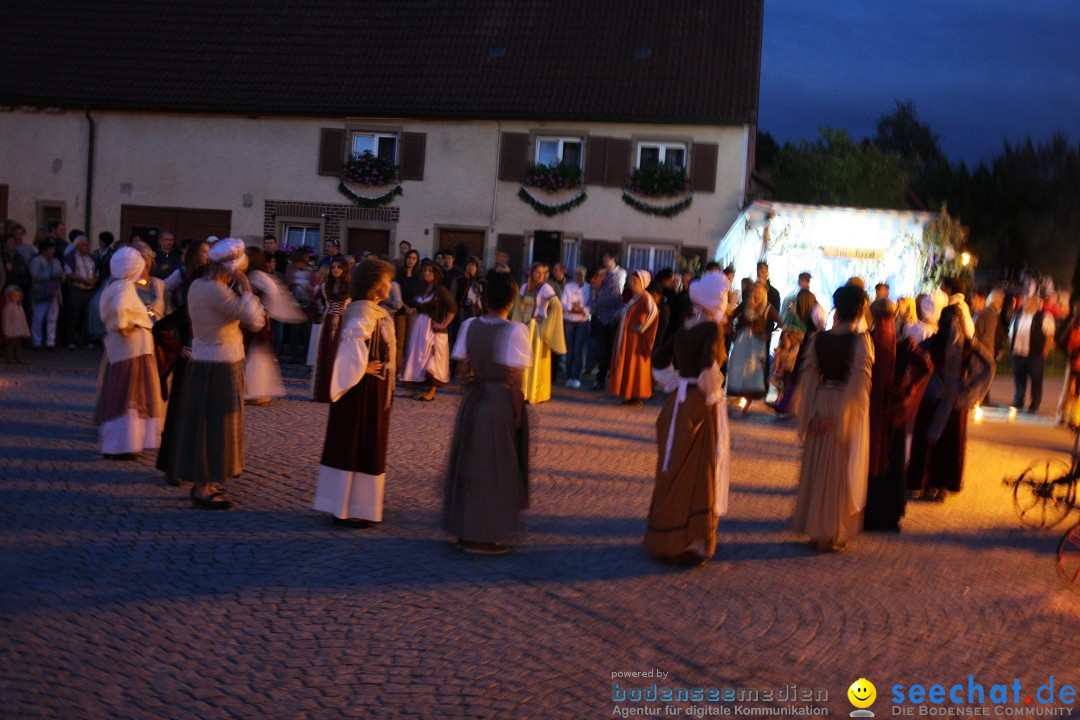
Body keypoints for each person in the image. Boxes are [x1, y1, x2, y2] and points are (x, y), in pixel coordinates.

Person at [442, 270, 533, 554]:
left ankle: (464, 528)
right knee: (494, 466)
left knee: (468, 460)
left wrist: (470, 391)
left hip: (474, 398)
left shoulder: (470, 325)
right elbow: (516, 379)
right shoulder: (515, 330)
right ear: (512, 299)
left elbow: (462, 371)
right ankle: (484, 535)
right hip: (498, 400)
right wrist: (518, 414)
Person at [170, 238, 265, 509]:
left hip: (205, 361)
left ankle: (206, 481)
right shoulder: (217, 292)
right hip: (219, 365)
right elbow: (256, 321)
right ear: (232, 269)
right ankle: (203, 487)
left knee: (205, 423)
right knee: (214, 426)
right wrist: (246, 288)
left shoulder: (198, 286)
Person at [646, 272, 731, 565]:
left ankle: (664, 535)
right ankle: (691, 539)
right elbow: (709, 367)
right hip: (696, 404)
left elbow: (658, 358)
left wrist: (672, 381)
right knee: (699, 470)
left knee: (671, 467)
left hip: (675, 405)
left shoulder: (685, 325)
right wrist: (711, 395)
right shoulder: (712, 330)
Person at [312, 258, 397, 528]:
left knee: (364, 444)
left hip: (373, 389)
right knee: (357, 443)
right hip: (361, 393)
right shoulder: (362, 313)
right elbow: (349, 348)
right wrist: (363, 368)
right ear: (374, 286)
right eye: (385, 282)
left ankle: (356, 504)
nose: (389, 286)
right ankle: (349, 507)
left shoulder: (372, 311)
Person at [792, 285, 874, 552]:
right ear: (861, 309)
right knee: (836, 471)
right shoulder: (860, 341)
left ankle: (816, 529)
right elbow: (859, 384)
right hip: (842, 404)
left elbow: (808, 377)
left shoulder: (820, 339)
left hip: (821, 400)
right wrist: (843, 418)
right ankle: (829, 531)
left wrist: (811, 414)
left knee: (818, 467)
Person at [908, 276, 990, 501]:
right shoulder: (939, 340)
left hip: (947, 400)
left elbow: (988, 367)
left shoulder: (963, 343)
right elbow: (914, 354)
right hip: (938, 397)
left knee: (943, 443)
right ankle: (926, 484)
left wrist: (970, 391)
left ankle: (936, 485)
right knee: (934, 442)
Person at [93, 247, 163, 459]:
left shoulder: (114, 285)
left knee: (123, 394)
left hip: (128, 348)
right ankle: (122, 445)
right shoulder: (123, 288)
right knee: (129, 394)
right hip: (130, 348)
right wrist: (126, 327)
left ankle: (121, 443)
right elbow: (120, 310)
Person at [509, 262, 566, 404]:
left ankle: (535, 392)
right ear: (531, 273)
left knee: (536, 360)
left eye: (543, 273)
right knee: (523, 360)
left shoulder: (546, 288)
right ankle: (522, 390)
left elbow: (557, 306)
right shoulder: (524, 287)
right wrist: (516, 324)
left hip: (537, 330)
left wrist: (546, 320)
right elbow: (518, 307)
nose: (540, 275)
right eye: (537, 272)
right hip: (524, 328)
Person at [401, 259, 457, 401]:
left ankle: (432, 390)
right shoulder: (422, 288)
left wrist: (444, 324)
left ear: (436, 274)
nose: (426, 273)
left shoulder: (441, 290)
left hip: (433, 329)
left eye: (430, 271)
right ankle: (420, 386)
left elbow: (453, 308)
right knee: (420, 357)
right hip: (420, 327)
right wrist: (412, 309)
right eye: (425, 270)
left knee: (433, 359)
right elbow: (419, 306)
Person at [243, 249, 289, 406]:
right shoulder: (253, 275)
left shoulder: (256, 276)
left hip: (256, 320)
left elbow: (274, 292)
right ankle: (253, 391)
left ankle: (255, 392)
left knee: (256, 353)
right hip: (252, 319)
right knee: (254, 353)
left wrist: (267, 311)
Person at [607, 269, 659, 406]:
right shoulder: (635, 297)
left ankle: (636, 396)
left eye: (635, 281)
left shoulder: (645, 297)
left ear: (643, 283)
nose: (632, 283)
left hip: (634, 340)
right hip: (626, 339)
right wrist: (620, 314)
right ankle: (629, 394)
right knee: (628, 365)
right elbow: (626, 312)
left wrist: (641, 328)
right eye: (631, 280)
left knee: (635, 366)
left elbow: (653, 312)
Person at [726, 280, 780, 406]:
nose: (756, 294)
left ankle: (749, 397)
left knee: (753, 369)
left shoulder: (767, 308)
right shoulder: (746, 304)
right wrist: (733, 330)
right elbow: (732, 316)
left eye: (759, 292)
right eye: (754, 291)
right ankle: (739, 394)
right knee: (738, 365)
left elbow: (780, 321)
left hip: (756, 342)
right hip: (742, 340)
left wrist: (767, 333)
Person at [311, 257, 351, 402]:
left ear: (344, 270)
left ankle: (339, 391)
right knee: (327, 354)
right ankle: (323, 392)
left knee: (340, 355)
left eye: (339, 267)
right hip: (327, 322)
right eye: (333, 267)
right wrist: (320, 314)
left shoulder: (350, 287)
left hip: (344, 323)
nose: (335, 270)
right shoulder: (325, 286)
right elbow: (315, 301)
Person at [1010, 293, 1056, 413]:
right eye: (1025, 302)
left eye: (1029, 302)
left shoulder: (1043, 316)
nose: (1026, 304)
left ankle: (1034, 403)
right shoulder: (1018, 315)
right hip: (1018, 352)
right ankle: (1018, 400)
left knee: (1036, 379)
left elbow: (1050, 334)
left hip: (1035, 354)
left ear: (1036, 304)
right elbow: (1011, 331)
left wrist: (1044, 352)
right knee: (1019, 377)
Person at [590, 252, 627, 390]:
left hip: (613, 317)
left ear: (613, 259)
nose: (604, 260)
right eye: (603, 257)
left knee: (613, 349)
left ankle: (613, 380)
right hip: (601, 317)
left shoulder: (620, 274)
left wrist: (598, 302)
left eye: (607, 257)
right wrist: (594, 305)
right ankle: (600, 380)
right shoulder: (601, 272)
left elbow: (616, 296)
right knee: (602, 351)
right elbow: (594, 289)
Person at [28, 238, 65, 349]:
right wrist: (50, 275)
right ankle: (36, 342)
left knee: (52, 318)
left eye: (53, 248)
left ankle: (50, 342)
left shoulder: (56, 261)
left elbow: (62, 275)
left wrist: (61, 277)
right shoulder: (36, 261)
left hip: (54, 293)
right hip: (40, 293)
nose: (52, 250)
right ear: (44, 250)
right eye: (50, 248)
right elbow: (35, 275)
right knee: (38, 318)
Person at [63, 234, 98, 348]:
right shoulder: (70, 257)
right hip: (76, 290)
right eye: (84, 245)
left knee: (87, 316)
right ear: (77, 246)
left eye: (87, 245)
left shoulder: (90, 257)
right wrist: (83, 280)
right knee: (74, 315)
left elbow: (97, 272)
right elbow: (69, 273)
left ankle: (87, 340)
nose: (86, 247)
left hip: (89, 290)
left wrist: (94, 281)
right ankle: (71, 340)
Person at [973, 289, 1006, 406]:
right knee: (981, 378)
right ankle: (977, 402)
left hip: (981, 352)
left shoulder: (984, 313)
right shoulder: (990, 314)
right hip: (984, 353)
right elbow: (987, 337)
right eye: (1000, 300)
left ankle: (979, 401)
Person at [283, 248, 314, 364]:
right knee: (294, 331)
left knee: (306, 331)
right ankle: (294, 356)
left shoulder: (310, 271)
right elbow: (287, 284)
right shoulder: (291, 270)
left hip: (306, 303)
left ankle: (306, 355)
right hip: (294, 303)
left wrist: (309, 291)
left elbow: (314, 286)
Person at [561, 265, 590, 388]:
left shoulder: (589, 288)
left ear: (585, 275)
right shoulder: (568, 286)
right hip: (569, 320)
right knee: (569, 349)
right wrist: (572, 308)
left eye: (581, 274)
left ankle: (576, 377)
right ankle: (569, 377)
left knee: (578, 350)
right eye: (577, 273)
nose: (578, 276)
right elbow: (563, 302)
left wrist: (582, 310)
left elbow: (591, 304)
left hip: (582, 322)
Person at [394, 248, 421, 373]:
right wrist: (404, 306)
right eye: (409, 258)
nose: (411, 260)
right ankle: (398, 369)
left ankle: (408, 370)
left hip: (414, 311)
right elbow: (396, 293)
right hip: (401, 311)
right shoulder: (399, 275)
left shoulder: (419, 276)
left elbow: (421, 294)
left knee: (411, 341)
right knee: (399, 342)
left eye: (414, 258)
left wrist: (414, 307)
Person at [1058, 304, 1080, 429]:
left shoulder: (1073, 325)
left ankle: (1068, 416)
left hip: (1073, 361)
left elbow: (1062, 340)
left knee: (1071, 390)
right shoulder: (1074, 327)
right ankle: (1072, 417)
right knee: (1073, 391)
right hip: (1074, 362)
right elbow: (1062, 340)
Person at [2, 285, 30, 363]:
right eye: (14, 296)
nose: (16, 298)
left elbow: (23, 320)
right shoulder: (8, 308)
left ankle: (18, 357)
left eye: (19, 296)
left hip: (19, 332)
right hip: (11, 332)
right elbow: (6, 321)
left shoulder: (20, 308)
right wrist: (6, 331)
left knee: (17, 346)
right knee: (9, 347)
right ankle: (9, 358)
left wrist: (26, 330)